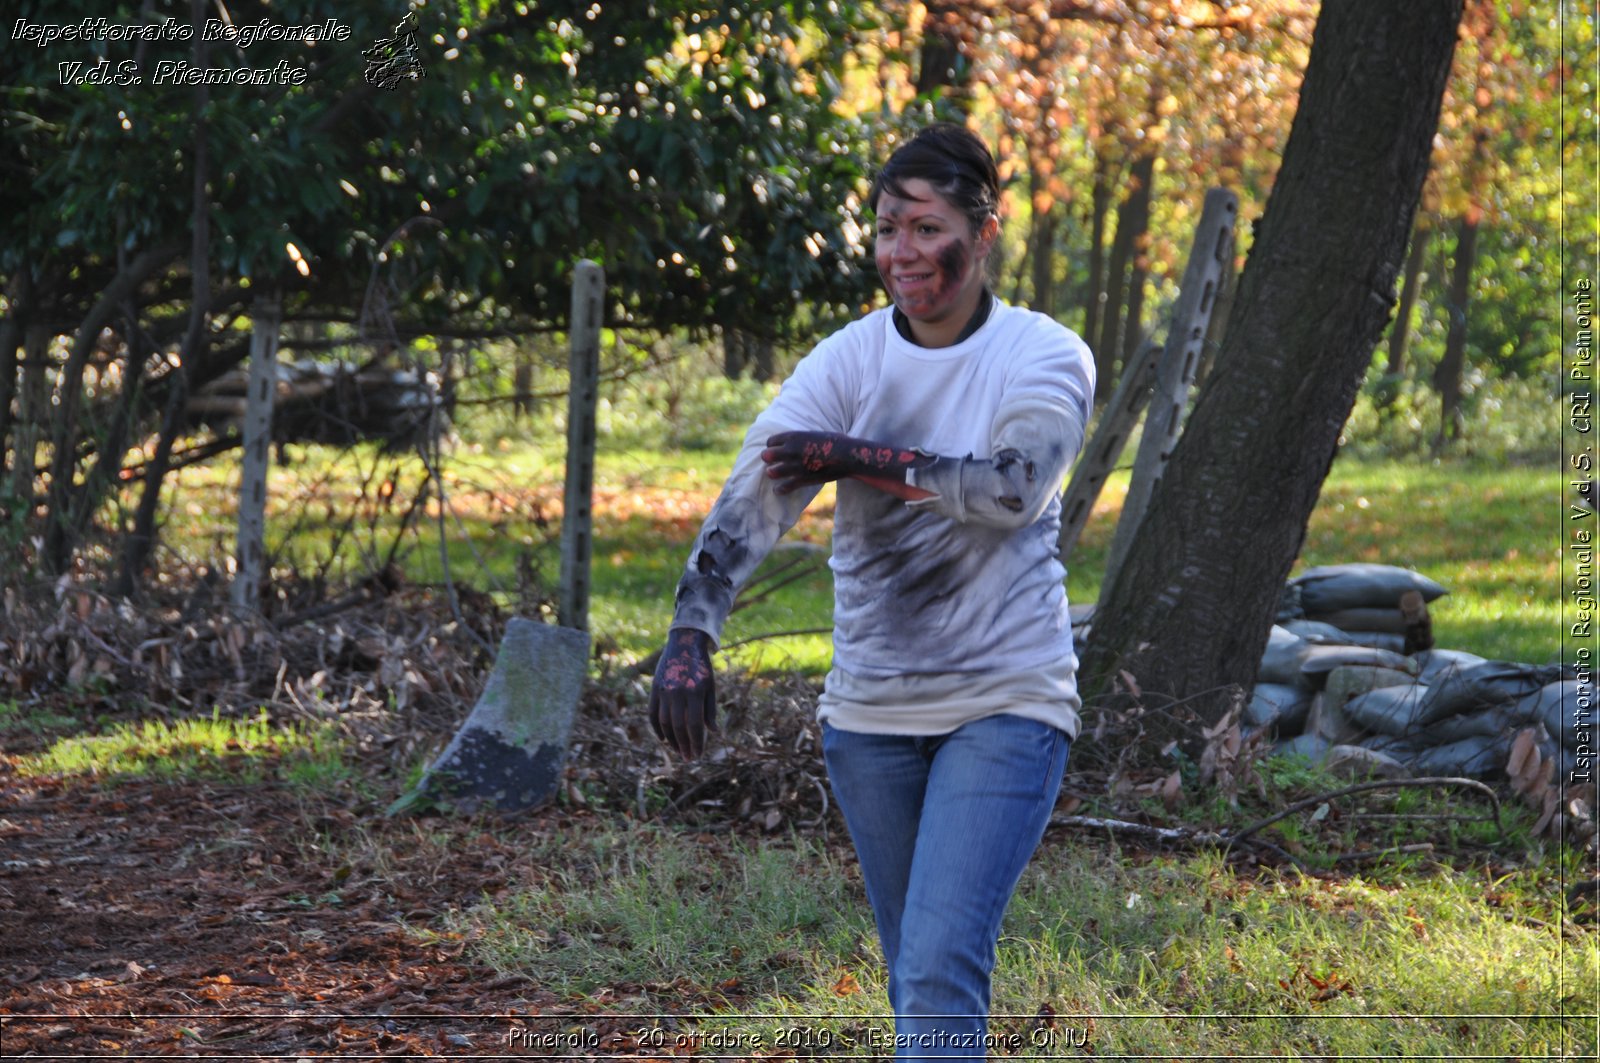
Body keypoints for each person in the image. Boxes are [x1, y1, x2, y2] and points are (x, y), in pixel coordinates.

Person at [647, 122, 1096, 1060]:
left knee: (937, 969)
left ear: (985, 229)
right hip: (870, 713)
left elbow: (1011, 488)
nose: (904, 253)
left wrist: (856, 458)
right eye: (890, 228)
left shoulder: (1045, 355)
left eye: (928, 228)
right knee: (914, 976)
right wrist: (694, 630)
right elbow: (758, 486)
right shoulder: (849, 358)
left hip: (1006, 701)